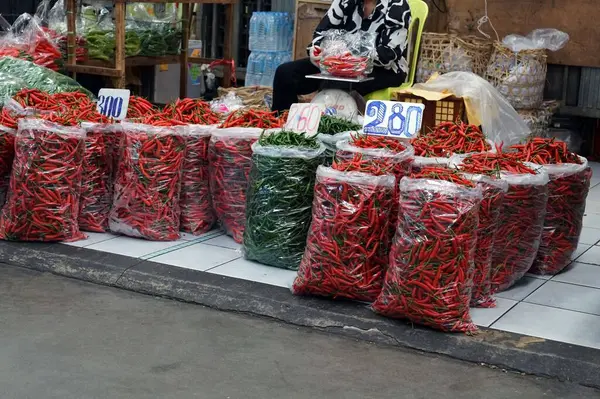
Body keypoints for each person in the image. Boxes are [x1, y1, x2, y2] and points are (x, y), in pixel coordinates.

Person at [272, 0, 411, 113]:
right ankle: (282, 128)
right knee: (285, 73)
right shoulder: (344, 2)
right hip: (336, 64)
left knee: (335, 84)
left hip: (383, 69)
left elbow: (389, 54)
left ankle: (333, 137)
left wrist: (349, 56)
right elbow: (321, 33)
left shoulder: (397, 6)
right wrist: (317, 51)